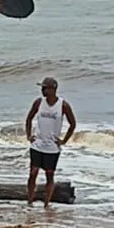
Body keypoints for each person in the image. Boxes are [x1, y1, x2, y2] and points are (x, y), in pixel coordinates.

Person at [25, 77, 76, 208]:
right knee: (33, 173)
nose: (42, 90)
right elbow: (29, 118)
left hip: (52, 147)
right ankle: (30, 201)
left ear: (53, 89)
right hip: (37, 144)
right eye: (42, 88)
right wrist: (29, 135)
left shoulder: (63, 105)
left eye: (45, 88)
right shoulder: (38, 102)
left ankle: (46, 203)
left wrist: (64, 140)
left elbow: (72, 124)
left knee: (49, 175)